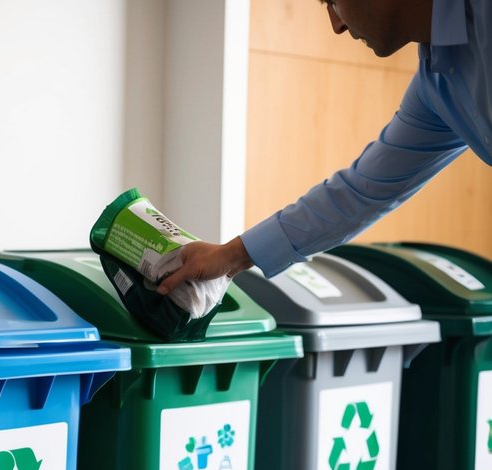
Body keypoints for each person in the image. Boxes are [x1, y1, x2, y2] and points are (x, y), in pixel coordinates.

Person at [158, 0, 492, 294]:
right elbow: (359, 193)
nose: (336, 25)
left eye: (331, 1)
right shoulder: (436, 86)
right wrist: (229, 257)